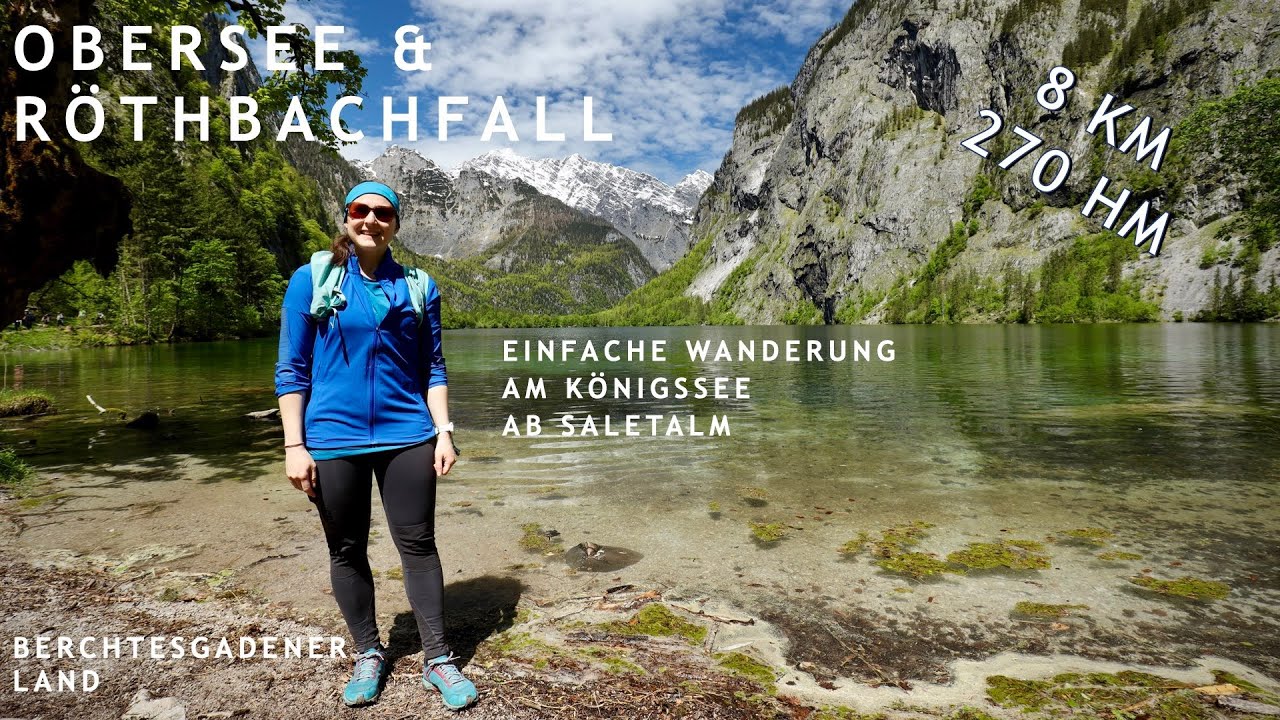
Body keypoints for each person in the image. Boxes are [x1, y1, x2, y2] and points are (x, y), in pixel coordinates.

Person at [274, 181, 479, 711]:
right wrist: (294, 445)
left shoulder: (417, 286)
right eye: (361, 211)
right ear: (346, 217)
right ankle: (368, 651)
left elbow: (433, 367)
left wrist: (445, 432)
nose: (371, 220)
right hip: (331, 438)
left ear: (395, 223)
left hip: (408, 434)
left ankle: (438, 658)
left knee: (418, 545)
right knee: (345, 548)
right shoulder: (312, 279)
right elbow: (291, 370)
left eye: (383, 213)